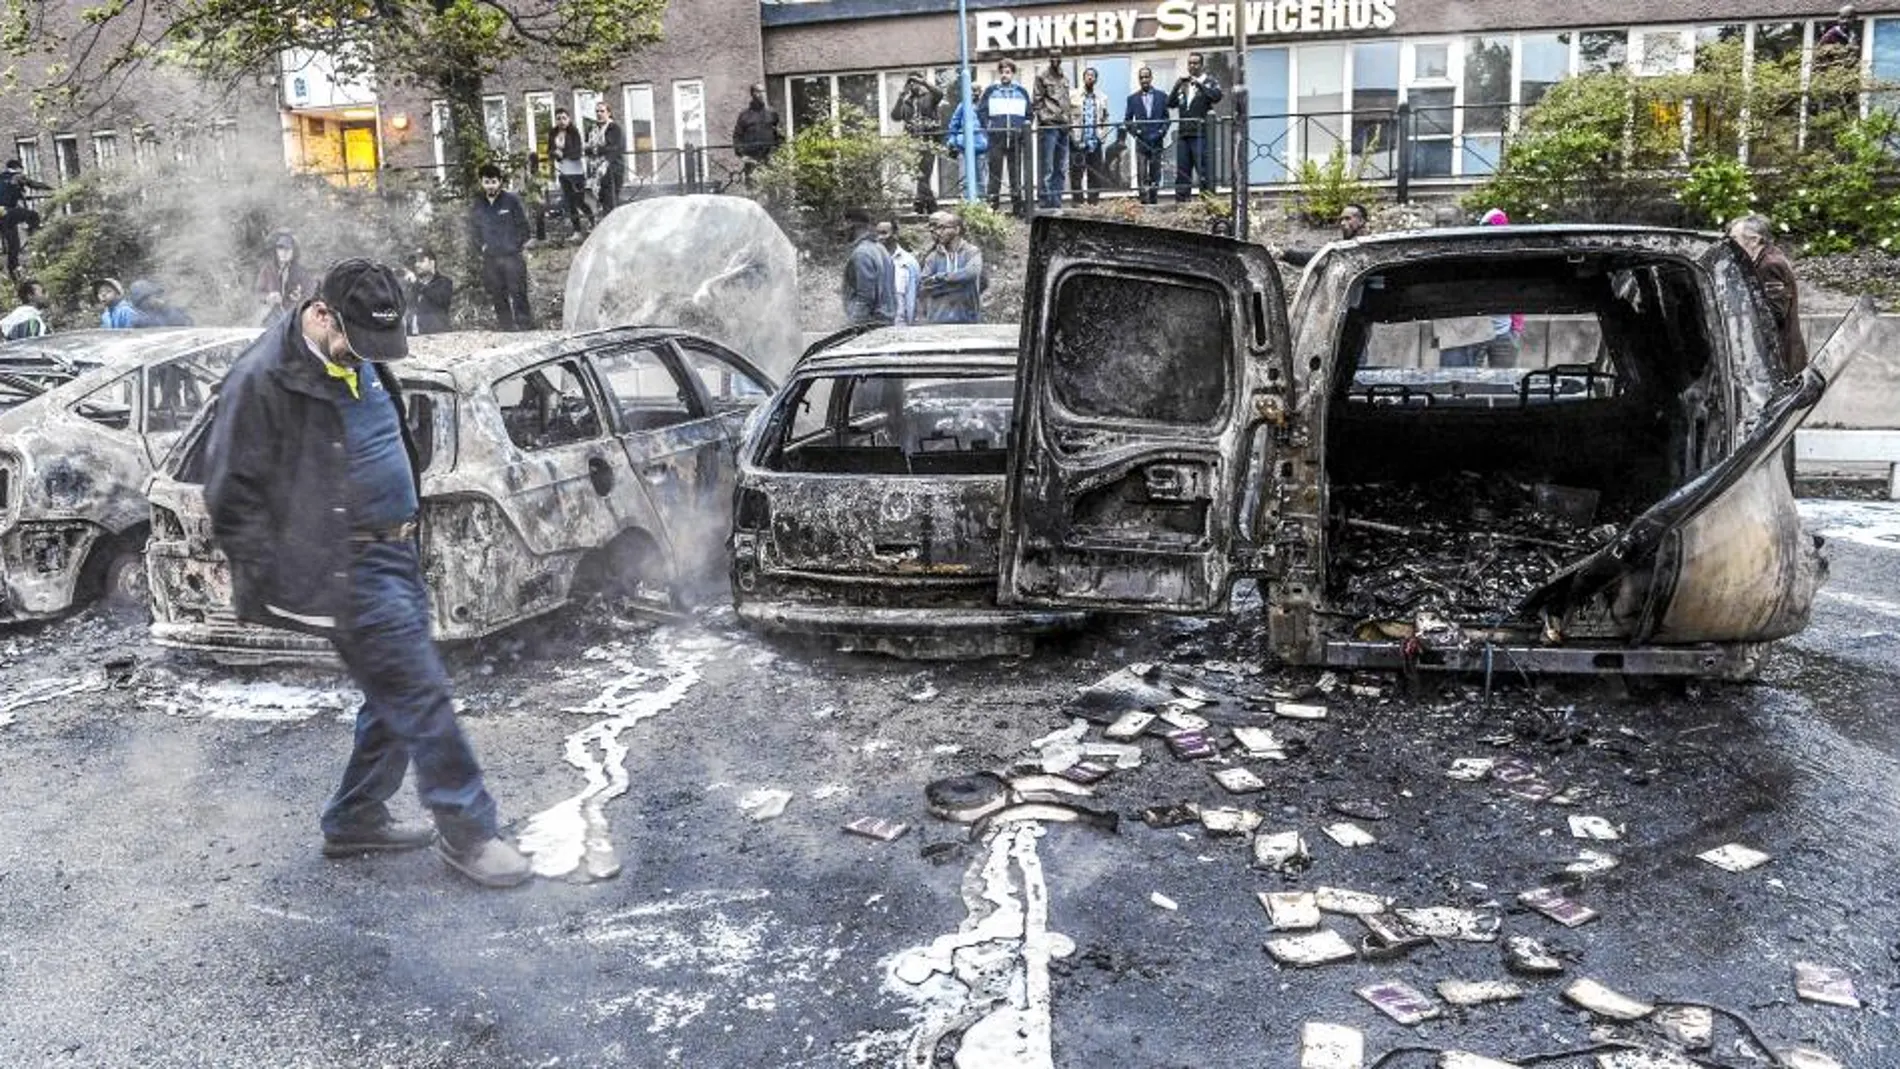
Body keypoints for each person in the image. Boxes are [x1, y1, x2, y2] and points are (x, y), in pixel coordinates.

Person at [201, 258, 529, 889]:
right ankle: (468, 832)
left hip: (395, 550)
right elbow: (231, 496)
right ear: (321, 314)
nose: (369, 356)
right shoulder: (262, 380)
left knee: (394, 695)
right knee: (420, 690)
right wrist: (285, 579)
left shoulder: (363, 354)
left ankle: (353, 817)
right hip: (344, 564)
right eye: (358, 341)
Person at [1729, 214, 1807, 376]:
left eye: (1734, 239)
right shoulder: (1767, 257)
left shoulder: (1769, 265)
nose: (1729, 245)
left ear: (1754, 240)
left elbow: (1774, 313)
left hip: (1781, 357)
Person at [469, 163, 535, 331]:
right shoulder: (479, 204)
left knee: (518, 292)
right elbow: (474, 230)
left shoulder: (511, 200)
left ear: (500, 182)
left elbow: (524, 228)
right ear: (481, 183)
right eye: (486, 182)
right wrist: (482, 247)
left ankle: (525, 327)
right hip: (491, 258)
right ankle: (506, 329)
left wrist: (513, 246)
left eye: (493, 181)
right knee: (497, 294)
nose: (490, 186)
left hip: (512, 257)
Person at [979, 61, 1032, 217]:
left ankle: (1017, 207)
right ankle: (992, 206)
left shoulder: (1021, 91)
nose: (1004, 75)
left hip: (1016, 139)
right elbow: (981, 111)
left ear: (1013, 74)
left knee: (1015, 174)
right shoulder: (991, 90)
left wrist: (1023, 131)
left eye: (1008, 72)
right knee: (995, 173)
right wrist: (988, 127)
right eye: (1002, 72)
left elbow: (1029, 114)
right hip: (996, 138)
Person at [1169, 52, 1223, 202]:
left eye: (1195, 63)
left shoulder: (1209, 81)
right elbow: (1170, 103)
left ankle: (1207, 202)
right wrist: (1176, 85)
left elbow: (1216, 96)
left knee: (1203, 170)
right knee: (1182, 172)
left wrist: (1199, 84)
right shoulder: (1183, 85)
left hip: (1200, 134)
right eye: (1190, 63)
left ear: (1202, 65)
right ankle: (1181, 204)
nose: (1192, 66)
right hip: (1183, 135)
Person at [917, 210, 984, 325]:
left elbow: (971, 274)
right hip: (938, 320)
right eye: (937, 228)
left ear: (957, 230)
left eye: (943, 228)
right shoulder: (932, 257)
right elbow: (925, 284)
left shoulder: (972, 252)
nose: (938, 232)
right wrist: (958, 283)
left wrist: (939, 278)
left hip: (967, 319)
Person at [891, 72, 945, 213]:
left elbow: (940, 94)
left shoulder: (929, 97)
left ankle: (922, 205)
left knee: (924, 174)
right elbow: (895, 117)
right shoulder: (907, 101)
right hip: (912, 142)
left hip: (928, 140)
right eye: (911, 82)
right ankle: (926, 205)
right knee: (920, 175)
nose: (913, 85)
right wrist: (901, 97)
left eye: (916, 82)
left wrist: (924, 82)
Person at [1122, 67, 1171, 206]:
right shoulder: (1132, 99)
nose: (1144, 80)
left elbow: (1167, 118)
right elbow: (1127, 121)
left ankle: (1154, 201)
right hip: (1142, 142)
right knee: (1142, 173)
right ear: (1139, 80)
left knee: (1155, 172)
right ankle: (1143, 202)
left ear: (1151, 78)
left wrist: (1161, 132)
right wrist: (1136, 133)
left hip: (1157, 140)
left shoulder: (1162, 96)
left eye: (1146, 77)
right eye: (1141, 78)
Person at [841, 209, 896, 327]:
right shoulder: (880, 248)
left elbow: (865, 298)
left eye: (844, 224)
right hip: (885, 322)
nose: (842, 229)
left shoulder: (861, 254)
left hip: (870, 325)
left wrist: (852, 326)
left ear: (851, 225)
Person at [547, 108, 595, 239]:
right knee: (569, 202)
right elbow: (549, 150)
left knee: (579, 201)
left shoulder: (574, 132)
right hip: (563, 172)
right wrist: (554, 154)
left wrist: (563, 154)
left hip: (576, 172)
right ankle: (577, 231)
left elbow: (577, 152)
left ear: (568, 119)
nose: (561, 121)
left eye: (564, 118)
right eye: (558, 118)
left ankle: (593, 222)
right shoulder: (553, 133)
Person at [1033, 52, 1072, 211]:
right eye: (1052, 57)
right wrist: (1045, 119)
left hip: (1063, 126)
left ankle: (1057, 201)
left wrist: (1068, 121)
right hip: (1049, 126)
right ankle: (1045, 202)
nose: (1055, 60)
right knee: (1047, 166)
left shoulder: (1065, 77)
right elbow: (1036, 101)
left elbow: (1066, 101)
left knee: (1061, 167)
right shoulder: (1042, 76)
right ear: (1049, 59)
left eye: (1058, 57)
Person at [0, 159, 50, 280]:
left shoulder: (1, 176)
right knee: (33, 215)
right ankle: (34, 232)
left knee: (13, 243)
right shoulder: (17, 176)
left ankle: (13, 269)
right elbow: (34, 184)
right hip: (8, 211)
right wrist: (51, 188)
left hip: (2, 213)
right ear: (17, 168)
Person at [1069, 67, 1113, 206]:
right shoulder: (1073, 95)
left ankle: (1093, 204)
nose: (1090, 77)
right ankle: (1078, 203)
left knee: (1094, 174)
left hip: (1095, 142)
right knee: (1076, 174)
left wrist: (1103, 136)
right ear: (1083, 78)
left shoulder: (1102, 97)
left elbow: (1106, 118)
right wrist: (1072, 136)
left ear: (1095, 79)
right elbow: (1068, 117)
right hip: (1078, 141)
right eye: (1087, 75)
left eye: (1092, 76)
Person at [1276, 203, 1370, 266]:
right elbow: (1318, 257)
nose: (1342, 223)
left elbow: (1320, 258)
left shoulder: (1372, 247)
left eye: (1347, 218)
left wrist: (1286, 254)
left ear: (1361, 221)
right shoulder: (1344, 248)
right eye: (1341, 219)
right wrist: (1286, 254)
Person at [255, 231, 316, 327]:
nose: (284, 252)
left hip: (292, 317)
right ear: (276, 251)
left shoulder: (301, 272)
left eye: (288, 249)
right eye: (280, 249)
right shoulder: (267, 270)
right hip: (271, 317)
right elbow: (258, 293)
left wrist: (299, 298)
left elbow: (311, 293)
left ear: (293, 252)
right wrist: (268, 297)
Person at [732, 83, 785, 189]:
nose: (761, 94)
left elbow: (779, 134)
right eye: (758, 92)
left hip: (769, 159)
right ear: (752, 94)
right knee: (753, 188)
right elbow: (737, 136)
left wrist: (777, 153)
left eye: (763, 91)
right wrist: (743, 156)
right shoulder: (744, 115)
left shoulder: (771, 113)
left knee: (771, 189)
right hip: (752, 159)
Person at [945, 84, 989, 199]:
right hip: (963, 146)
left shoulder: (984, 106)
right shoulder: (963, 105)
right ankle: (966, 202)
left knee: (980, 177)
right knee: (964, 177)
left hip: (980, 146)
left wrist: (987, 140)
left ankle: (981, 203)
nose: (975, 93)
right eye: (972, 90)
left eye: (977, 90)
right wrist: (952, 140)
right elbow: (954, 124)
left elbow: (988, 125)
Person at [878, 218, 921, 326]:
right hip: (876, 328)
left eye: (884, 233)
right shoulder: (869, 262)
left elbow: (916, 296)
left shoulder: (909, 262)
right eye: (877, 233)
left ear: (895, 234)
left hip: (901, 328)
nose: (879, 237)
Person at [587, 100, 626, 215]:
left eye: (602, 111)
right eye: (597, 111)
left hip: (612, 168)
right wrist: (598, 148)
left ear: (608, 113)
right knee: (598, 200)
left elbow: (616, 148)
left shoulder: (614, 128)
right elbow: (586, 148)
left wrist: (596, 149)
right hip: (596, 169)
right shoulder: (592, 129)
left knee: (611, 201)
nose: (599, 114)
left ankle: (612, 228)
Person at [403, 249, 454, 335]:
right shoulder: (412, 285)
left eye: (421, 261)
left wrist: (417, 284)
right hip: (413, 336)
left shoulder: (444, 282)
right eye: (415, 262)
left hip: (437, 335)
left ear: (432, 263)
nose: (417, 264)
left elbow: (441, 300)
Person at [127, 279, 193, 327]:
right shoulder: (139, 318)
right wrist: (166, 308)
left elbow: (188, 322)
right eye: (155, 296)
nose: (158, 298)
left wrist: (165, 308)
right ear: (145, 299)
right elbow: (157, 325)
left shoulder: (161, 310)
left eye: (158, 296)